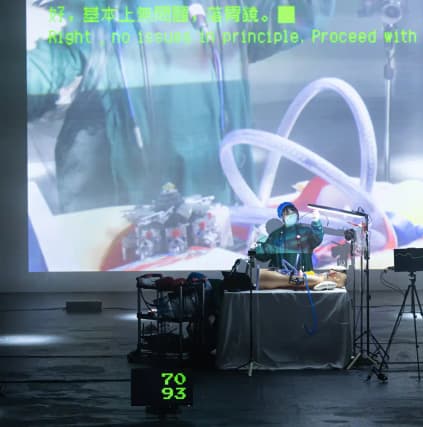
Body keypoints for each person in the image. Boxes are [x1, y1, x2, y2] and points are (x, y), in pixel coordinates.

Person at [27, 0, 334, 213]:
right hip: (124, 237)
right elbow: (40, 71)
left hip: (221, 221)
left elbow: (293, 15)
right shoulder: (94, 14)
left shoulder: (228, 9)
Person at [254, 201, 323, 273]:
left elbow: (317, 238)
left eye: (293, 213)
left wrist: (316, 221)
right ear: (282, 217)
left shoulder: (305, 232)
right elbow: (264, 255)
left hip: (303, 276)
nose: (291, 216)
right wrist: (257, 247)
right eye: (287, 214)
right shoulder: (275, 235)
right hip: (280, 277)